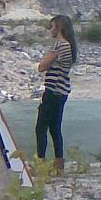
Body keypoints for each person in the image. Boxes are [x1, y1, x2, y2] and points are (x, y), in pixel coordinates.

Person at [35, 15, 77, 171]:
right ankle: (59, 165)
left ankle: (40, 164)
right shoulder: (69, 45)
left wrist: (48, 57)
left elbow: (42, 66)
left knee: (41, 128)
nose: (50, 30)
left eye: (52, 26)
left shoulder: (61, 45)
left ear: (59, 27)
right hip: (62, 91)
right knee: (54, 128)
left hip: (53, 91)